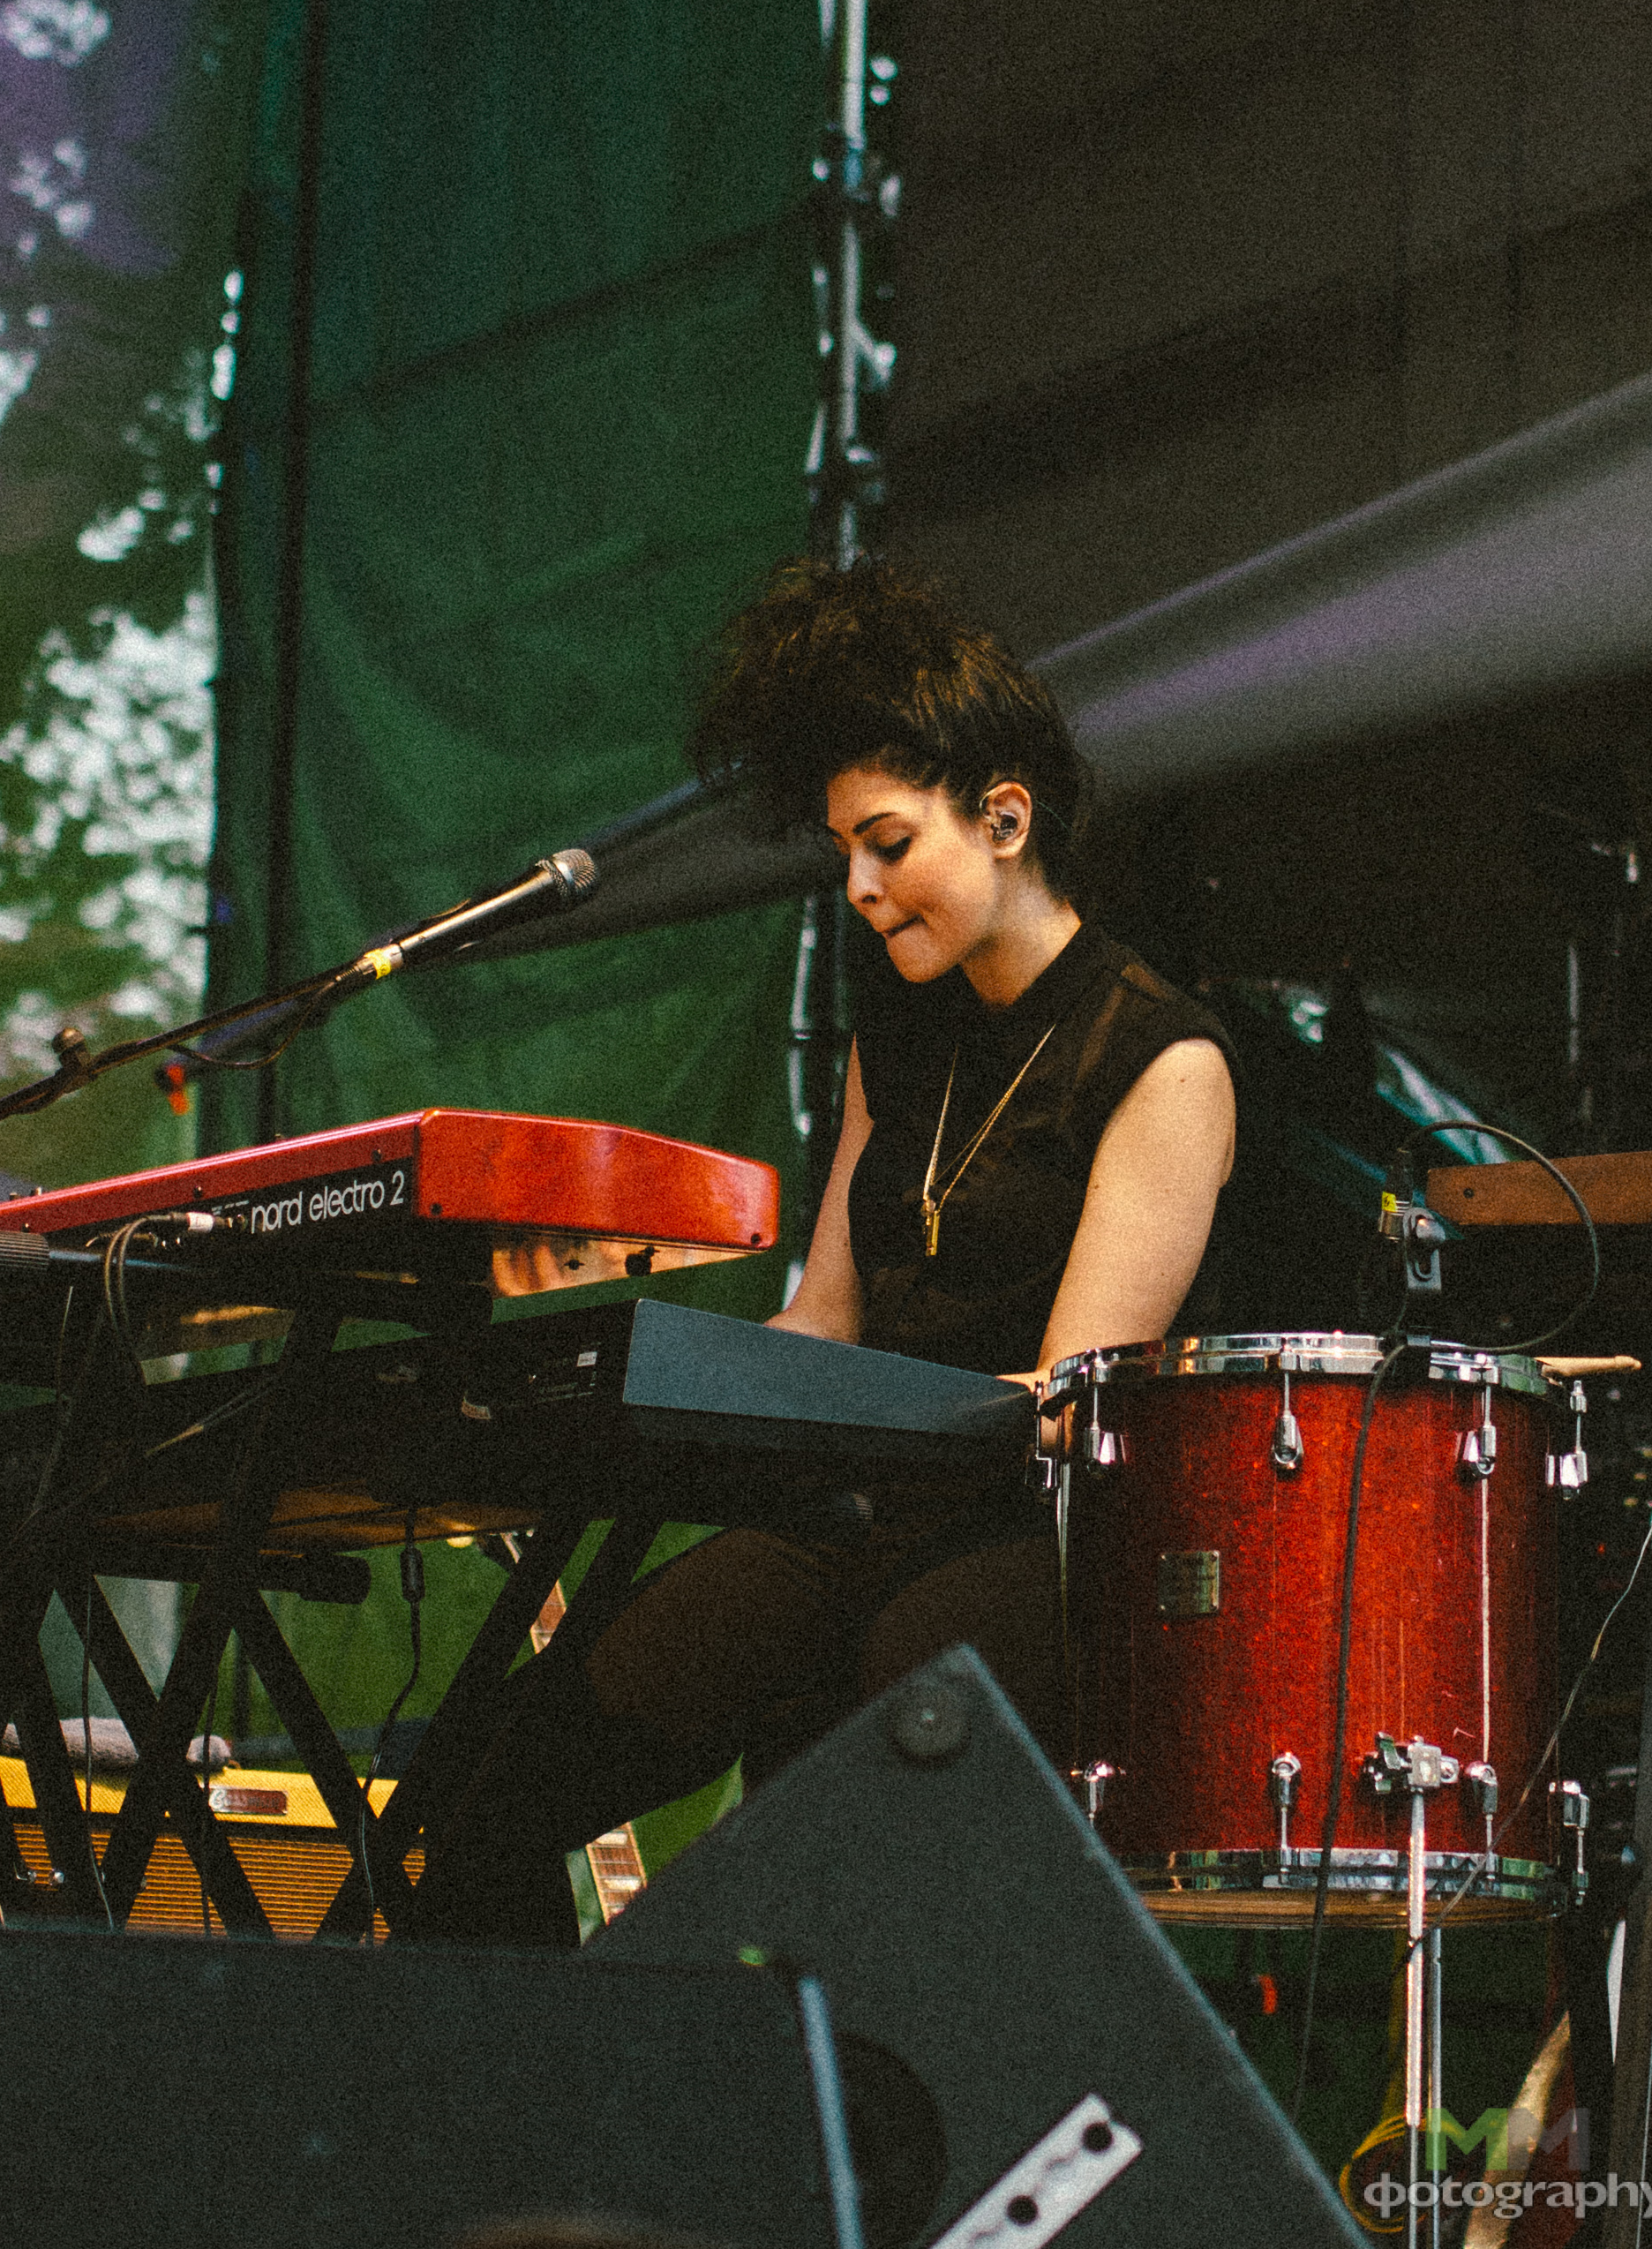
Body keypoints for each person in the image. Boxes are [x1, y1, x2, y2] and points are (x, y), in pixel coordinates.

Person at [418, 559, 1235, 1944]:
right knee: (490, 1786)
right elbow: (827, 1320)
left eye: (887, 842)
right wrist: (638, 1379)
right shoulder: (900, 1029)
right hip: (857, 1516)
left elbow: (1063, 1403)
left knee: (875, 1720)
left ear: (1004, 819)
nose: (855, 885)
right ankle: (539, 2117)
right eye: (841, 851)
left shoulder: (1162, 1059)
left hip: (1030, 1540)